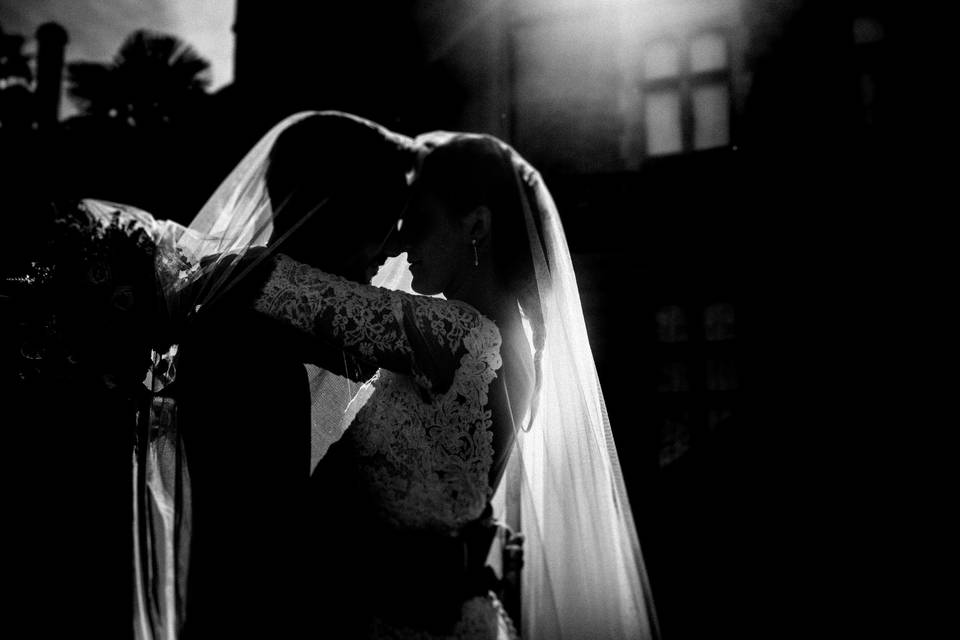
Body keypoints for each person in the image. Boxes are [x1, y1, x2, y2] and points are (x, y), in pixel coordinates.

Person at [204, 128, 660, 638]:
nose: (399, 241)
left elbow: (278, 286)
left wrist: (170, 270)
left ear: (477, 227)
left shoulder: (458, 336)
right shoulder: (508, 342)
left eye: (416, 221)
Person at [168, 111, 415, 639]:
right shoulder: (259, 287)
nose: (394, 246)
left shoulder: (237, 279)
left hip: (234, 599)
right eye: (386, 219)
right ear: (341, 214)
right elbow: (393, 348)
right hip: (253, 609)